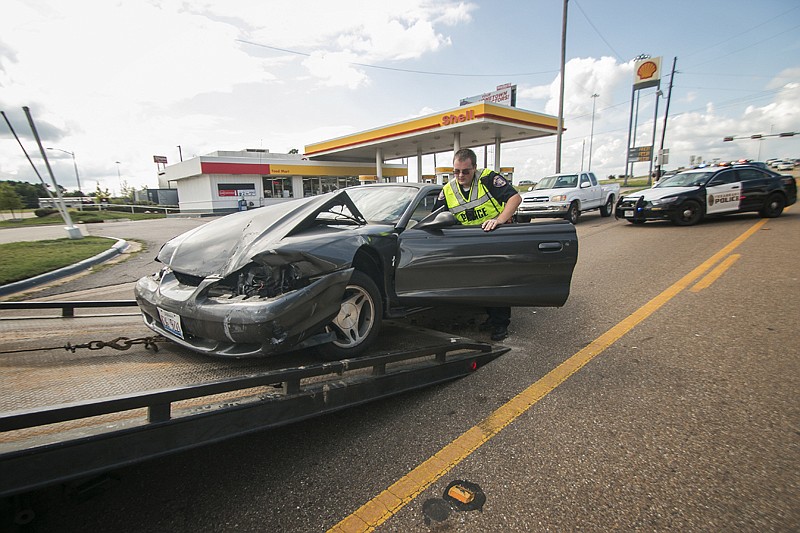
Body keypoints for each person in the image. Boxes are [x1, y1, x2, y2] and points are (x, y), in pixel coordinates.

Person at [432, 148, 522, 341]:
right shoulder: (447, 190)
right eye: (456, 171)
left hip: (494, 236)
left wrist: (499, 219)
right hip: (469, 242)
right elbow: (436, 217)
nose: (460, 175)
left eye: (466, 171)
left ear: (474, 167)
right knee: (480, 283)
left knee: (496, 282)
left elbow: (515, 198)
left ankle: (500, 324)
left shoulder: (488, 179)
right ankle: (491, 317)